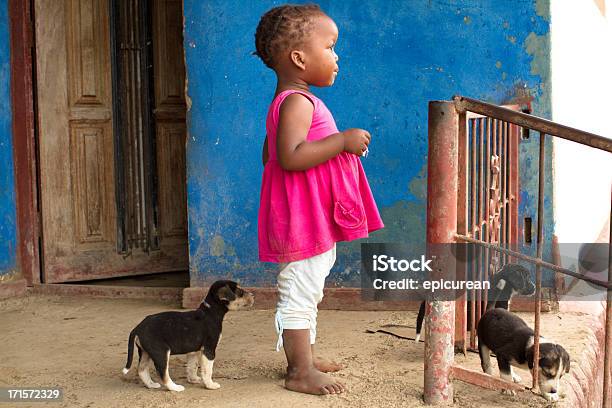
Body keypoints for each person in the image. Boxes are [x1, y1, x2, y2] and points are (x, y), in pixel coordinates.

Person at [254, 4, 384, 395]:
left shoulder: (292, 100)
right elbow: (290, 156)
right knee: (300, 287)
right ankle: (299, 372)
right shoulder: (297, 102)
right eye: (329, 47)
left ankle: (305, 358)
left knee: (309, 285)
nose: (336, 55)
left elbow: (270, 155)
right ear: (299, 58)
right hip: (302, 217)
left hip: (308, 214)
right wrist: (341, 142)